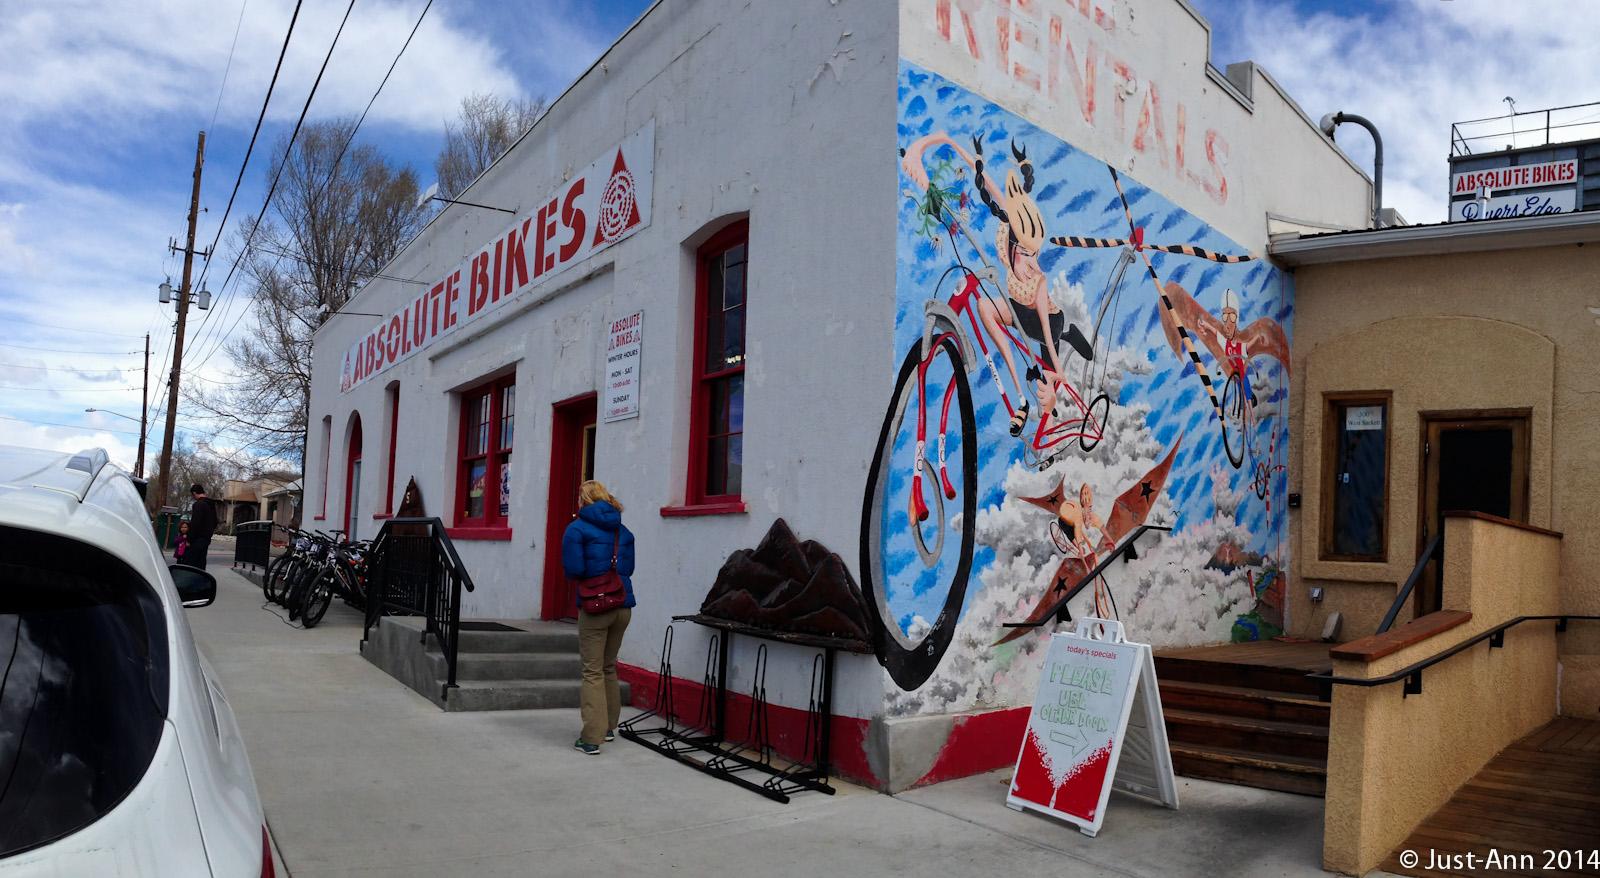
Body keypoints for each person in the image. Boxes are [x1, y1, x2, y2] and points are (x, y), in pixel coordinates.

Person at [561, 480, 636, 755]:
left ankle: (591, 738)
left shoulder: (576, 529)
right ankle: (608, 727)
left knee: (591, 670)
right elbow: (629, 567)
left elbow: (574, 569)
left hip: (595, 607)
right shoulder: (624, 531)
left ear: (583, 500)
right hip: (623, 605)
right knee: (608, 666)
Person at [186, 484, 218, 570]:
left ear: (194, 493)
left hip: (197, 539)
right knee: (201, 561)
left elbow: (195, 523)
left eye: (193, 495)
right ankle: (201, 580)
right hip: (206, 538)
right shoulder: (211, 504)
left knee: (192, 562)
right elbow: (215, 521)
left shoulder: (198, 504)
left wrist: (189, 539)